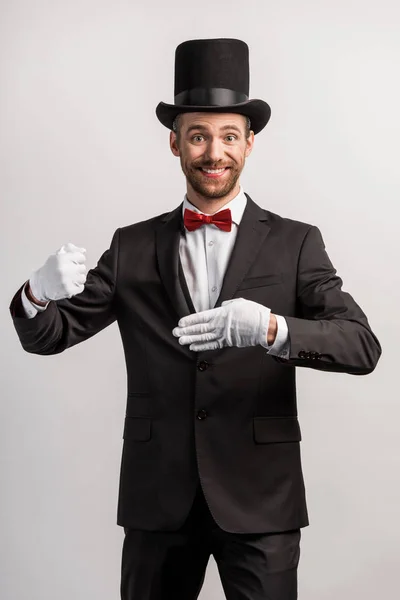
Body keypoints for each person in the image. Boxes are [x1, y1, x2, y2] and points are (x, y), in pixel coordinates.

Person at [9, 38, 382, 600]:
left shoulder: (296, 243)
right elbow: (49, 336)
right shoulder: (131, 247)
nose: (214, 152)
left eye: (229, 136)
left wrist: (272, 330)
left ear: (250, 143)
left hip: (261, 500)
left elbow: (361, 346)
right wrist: (36, 292)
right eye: (199, 136)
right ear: (175, 143)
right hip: (158, 499)